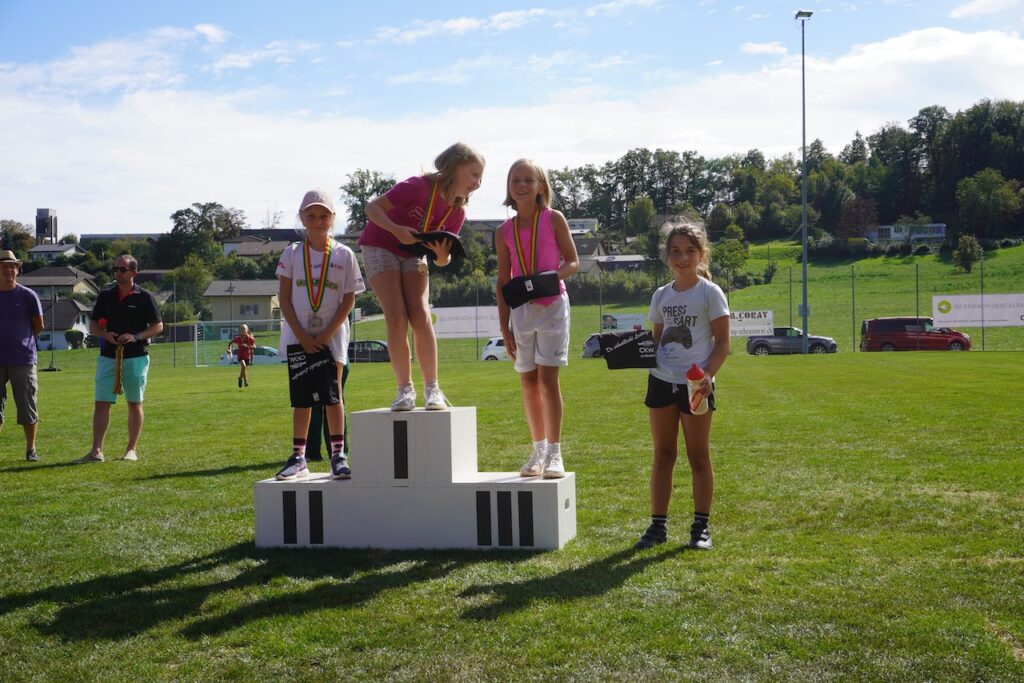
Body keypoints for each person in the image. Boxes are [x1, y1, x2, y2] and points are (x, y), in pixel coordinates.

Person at [359, 142, 485, 411]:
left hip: (414, 254)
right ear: (455, 166)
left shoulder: (457, 211)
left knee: (420, 315)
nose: (478, 183)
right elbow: (371, 208)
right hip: (380, 245)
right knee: (396, 317)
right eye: (474, 174)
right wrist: (396, 230)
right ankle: (404, 390)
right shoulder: (417, 186)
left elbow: (443, 258)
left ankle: (432, 389)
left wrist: (440, 256)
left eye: (480, 177)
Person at [634, 219, 730, 550]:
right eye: (675, 251)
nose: (682, 257)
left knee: (698, 456)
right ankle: (657, 527)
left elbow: (723, 343)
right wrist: (627, 349)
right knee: (663, 455)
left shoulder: (710, 293)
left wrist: (707, 375)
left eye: (690, 251)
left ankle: (700, 528)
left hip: (695, 386)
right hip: (661, 381)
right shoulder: (661, 295)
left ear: (702, 255)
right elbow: (656, 341)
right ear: (667, 255)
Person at [495, 159, 579, 479]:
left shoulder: (553, 218)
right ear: (508, 186)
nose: (522, 185)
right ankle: (537, 450)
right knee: (528, 382)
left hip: (552, 304)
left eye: (528, 180)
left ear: (541, 186)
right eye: (515, 180)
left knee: (547, 380)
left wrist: (549, 278)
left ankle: (555, 452)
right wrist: (504, 327)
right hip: (521, 310)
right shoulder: (503, 231)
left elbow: (573, 262)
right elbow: (503, 280)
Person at [274, 189, 365, 481]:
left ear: (333, 218)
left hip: (332, 335)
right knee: (302, 397)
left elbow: (349, 299)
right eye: (311, 215)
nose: (317, 220)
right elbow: (284, 298)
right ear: (302, 218)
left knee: (333, 394)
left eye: (324, 215)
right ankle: (298, 457)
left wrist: (326, 333)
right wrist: (301, 334)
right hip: (298, 335)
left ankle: (338, 455)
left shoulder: (344, 254)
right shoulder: (291, 253)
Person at [75, 254, 163, 463]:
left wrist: (136, 336)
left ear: (134, 272)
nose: (117, 273)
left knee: (134, 403)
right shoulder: (105, 295)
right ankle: (96, 451)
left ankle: (131, 450)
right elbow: (93, 325)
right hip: (108, 356)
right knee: (101, 403)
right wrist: (105, 335)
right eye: (115, 269)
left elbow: (158, 326)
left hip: (136, 357)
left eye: (122, 269)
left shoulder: (145, 297)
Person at [0, 250, 44, 462]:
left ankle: (31, 449)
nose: (8, 270)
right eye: (3, 266)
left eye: (12, 266)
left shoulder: (28, 296)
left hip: (23, 360)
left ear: (18, 270)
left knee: (27, 406)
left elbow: (38, 326)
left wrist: (20, 341)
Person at [227, 323, 256, 388]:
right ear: (240, 331)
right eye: (241, 329)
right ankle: (245, 381)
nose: (243, 330)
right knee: (243, 366)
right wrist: (229, 349)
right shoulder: (239, 338)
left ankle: (240, 378)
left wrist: (247, 346)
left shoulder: (250, 338)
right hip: (240, 356)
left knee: (244, 369)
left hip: (247, 356)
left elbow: (254, 346)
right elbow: (230, 343)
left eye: (244, 329)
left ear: (247, 330)